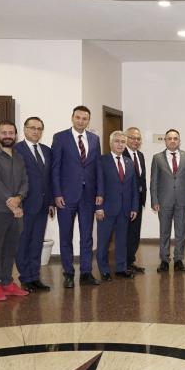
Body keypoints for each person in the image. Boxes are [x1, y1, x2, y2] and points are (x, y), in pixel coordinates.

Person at [51, 105, 104, 288]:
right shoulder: (60, 137)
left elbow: (98, 168)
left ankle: (86, 273)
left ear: (88, 120)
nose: (81, 121)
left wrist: (100, 192)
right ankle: (68, 273)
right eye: (78, 117)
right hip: (65, 196)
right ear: (72, 118)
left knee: (87, 236)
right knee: (66, 236)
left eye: (85, 118)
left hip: (88, 196)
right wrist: (57, 193)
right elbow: (55, 168)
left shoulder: (94, 139)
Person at [0, 121, 30, 301]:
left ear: (16, 135)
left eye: (11, 132)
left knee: (11, 248)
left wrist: (19, 197)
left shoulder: (19, 157)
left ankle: (7, 282)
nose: (8, 136)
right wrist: (12, 203)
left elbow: (25, 181)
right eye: (4, 133)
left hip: (17, 212)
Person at [15, 116, 55, 293]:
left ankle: (34, 276)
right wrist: (16, 202)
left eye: (39, 129)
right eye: (32, 128)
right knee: (23, 242)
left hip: (43, 205)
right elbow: (13, 178)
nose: (35, 131)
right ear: (24, 129)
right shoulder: (16, 150)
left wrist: (51, 201)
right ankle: (25, 278)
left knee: (37, 242)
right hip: (24, 204)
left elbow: (50, 178)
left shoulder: (47, 150)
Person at [150, 128, 185, 273]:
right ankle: (164, 260)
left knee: (181, 232)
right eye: (169, 138)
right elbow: (153, 181)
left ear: (179, 141)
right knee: (164, 232)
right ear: (165, 141)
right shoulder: (157, 158)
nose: (172, 141)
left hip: (183, 200)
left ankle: (178, 260)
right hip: (164, 201)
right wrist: (154, 200)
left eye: (175, 138)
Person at [96, 131, 138, 281]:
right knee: (104, 242)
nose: (120, 144)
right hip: (106, 209)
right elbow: (98, 185)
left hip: (125, 209)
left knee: (121, 241)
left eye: (123, 142)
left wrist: (134, 207)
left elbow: (133, 187)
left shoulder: (129, 162)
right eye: (117, 141)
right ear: (110, 143)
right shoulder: (102, 161)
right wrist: (98, 207)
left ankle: (121, 268)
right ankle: (104, 270)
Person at [123, 127, 147, 274]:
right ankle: (122, 263)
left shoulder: (140, 155)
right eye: (132, 138)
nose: (136, 141)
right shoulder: (121, 154)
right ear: (126, 138)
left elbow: (141, 178)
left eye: (138, 139)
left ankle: (130, 261)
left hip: (138, 201)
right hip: (125, 201)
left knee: (134, 233)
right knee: (124, 233)